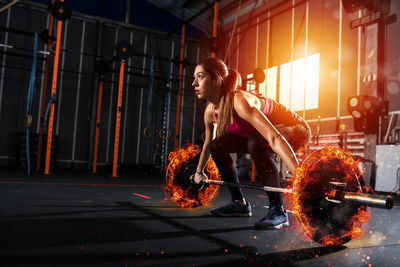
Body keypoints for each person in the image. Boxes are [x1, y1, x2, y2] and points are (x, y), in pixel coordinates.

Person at [191, 57, 311, 229]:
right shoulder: (210, 111)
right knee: (217, 145)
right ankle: (239, 203)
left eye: (200, 77)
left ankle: (278, 211)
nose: (194, 83)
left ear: (216, 79)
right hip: (259, 137)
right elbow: (207, 144)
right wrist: (199, 172)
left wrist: (301, 177)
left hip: (296, 129)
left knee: (255, 143)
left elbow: (274, 138)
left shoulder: (239, 100)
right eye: (195, 77)